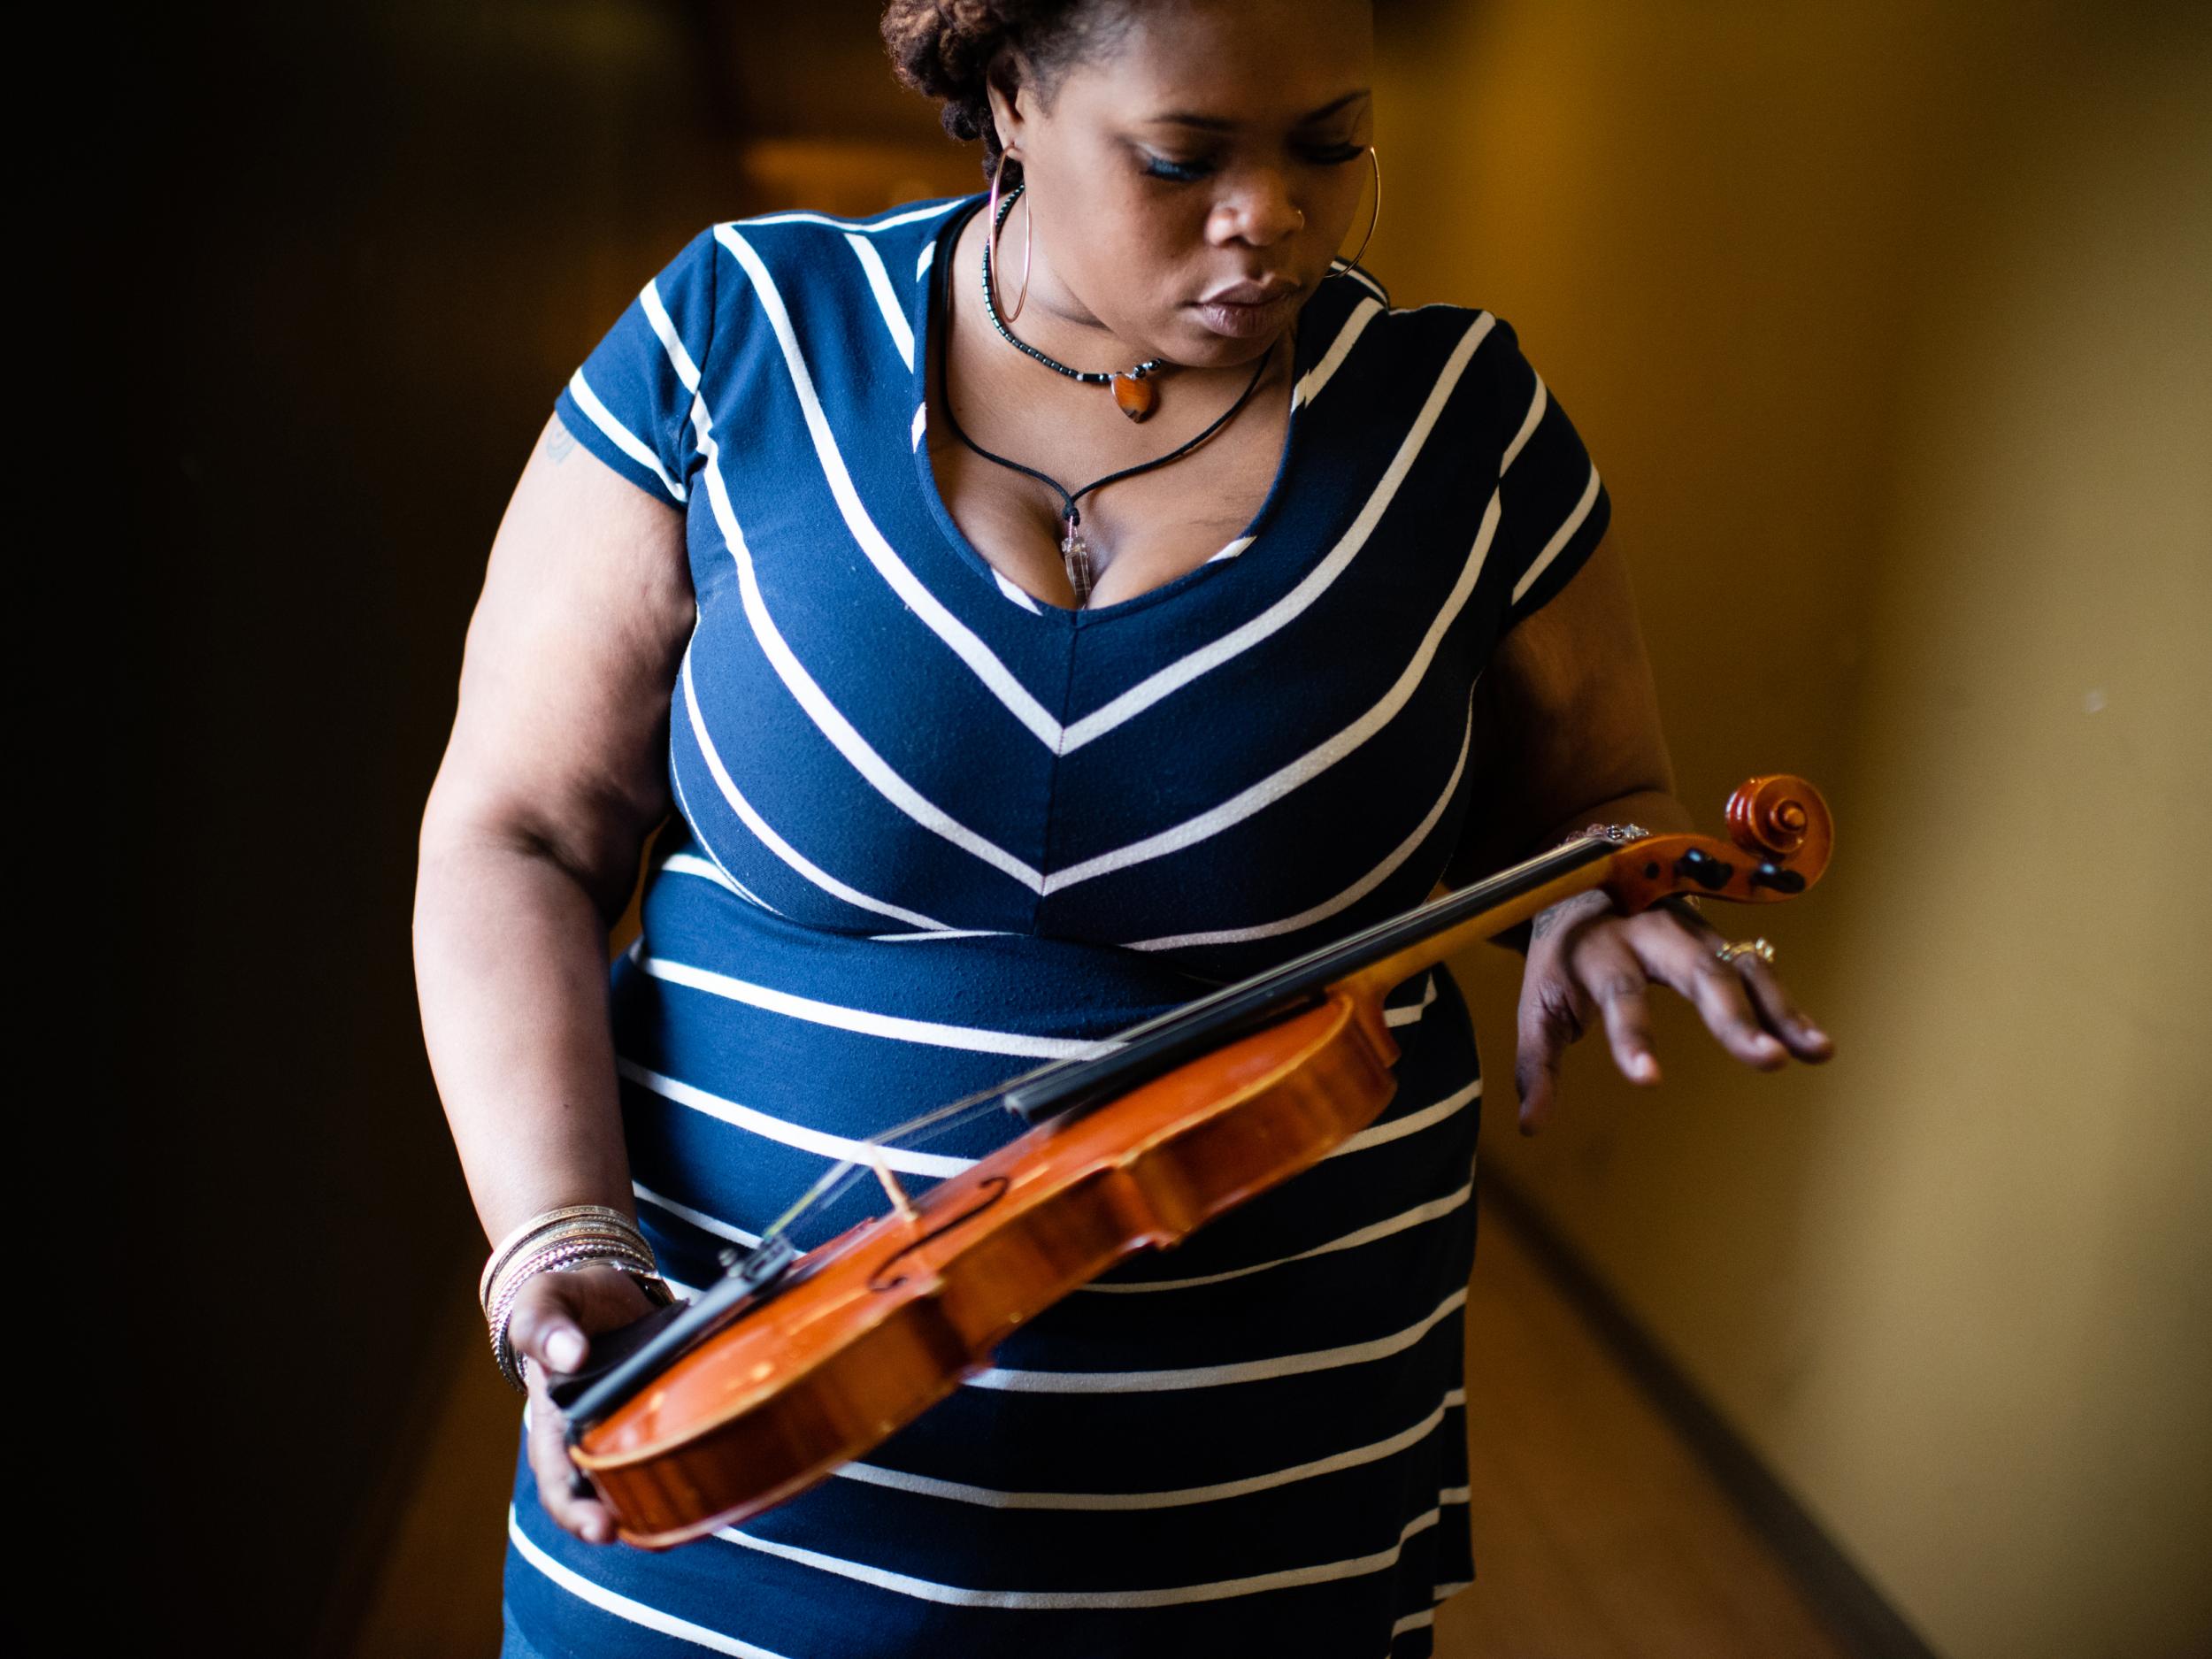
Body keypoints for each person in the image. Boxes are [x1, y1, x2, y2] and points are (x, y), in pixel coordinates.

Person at [412, 2, 1833, 1654]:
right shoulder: (745, 334)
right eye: (1185, 157)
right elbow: (516, 830)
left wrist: (1598, 895)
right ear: (1010, 97)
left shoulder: (1469, 426)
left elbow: (1602, 805)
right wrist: (557, 1246)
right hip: (734, 1451)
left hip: (1245, 1513)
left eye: (1332, 143)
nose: (1274, 217)